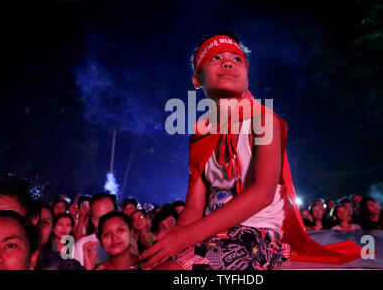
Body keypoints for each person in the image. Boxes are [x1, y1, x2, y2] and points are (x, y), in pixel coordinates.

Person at [140, 31, 361, 270]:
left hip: (256, 235)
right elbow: (194, 205)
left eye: (237, 59)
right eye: (215, 58)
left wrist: (185, 238)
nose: (227, 62)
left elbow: (263, 193)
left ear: (246, 79)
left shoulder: (264, 120)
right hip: (208, 234)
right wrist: (173, 241)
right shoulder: (201, 135)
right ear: (197, 80)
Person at [73, 192, 116, 268]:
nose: (100, 223)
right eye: (95, 218)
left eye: (106, 216)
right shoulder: (83, 245)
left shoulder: (126, 243)